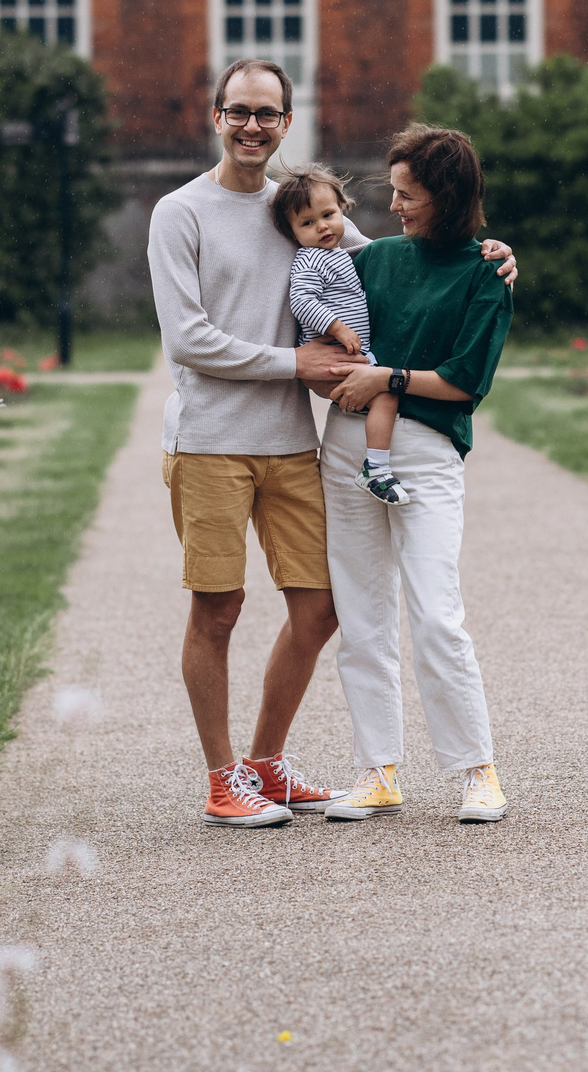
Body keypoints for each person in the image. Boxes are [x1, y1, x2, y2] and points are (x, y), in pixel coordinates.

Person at [147, 61, 513, 830]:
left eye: (268, 114)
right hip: (212, 441)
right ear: (216, 115)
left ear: (287, 122)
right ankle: (231, 780)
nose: (253, 125)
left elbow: (404, 260)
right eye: (239, 111)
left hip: (291, 446)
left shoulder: (303, 206)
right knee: (220, 611)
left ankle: (269, 765)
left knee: (324, 612)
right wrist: (301, 362)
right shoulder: (178, 213)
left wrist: (495, 255)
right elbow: (187, 339)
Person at [320, 125, 515, 825]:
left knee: (437, 614)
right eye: (392, 192)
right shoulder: (375, 262)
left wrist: (389, 376)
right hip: (345, 451)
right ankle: (377, 771)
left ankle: (477, 771)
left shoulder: (487, 274)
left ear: (449, 195)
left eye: (409, 195)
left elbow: (466, 381)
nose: (394, 205)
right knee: (363, 618)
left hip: (428, 456)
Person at [272, 165, 411, 506]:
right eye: (307, 223)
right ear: (292, 232)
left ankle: (370, 460)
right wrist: (337, 328)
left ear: (343, 210)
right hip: (330, 356)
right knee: (386, 394)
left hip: (346, 355)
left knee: (380, 395)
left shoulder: (337, 254)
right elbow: (302, 302)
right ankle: (376, 470)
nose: (321, 227)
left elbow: (388, 253)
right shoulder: (309, 260)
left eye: (328, 215)